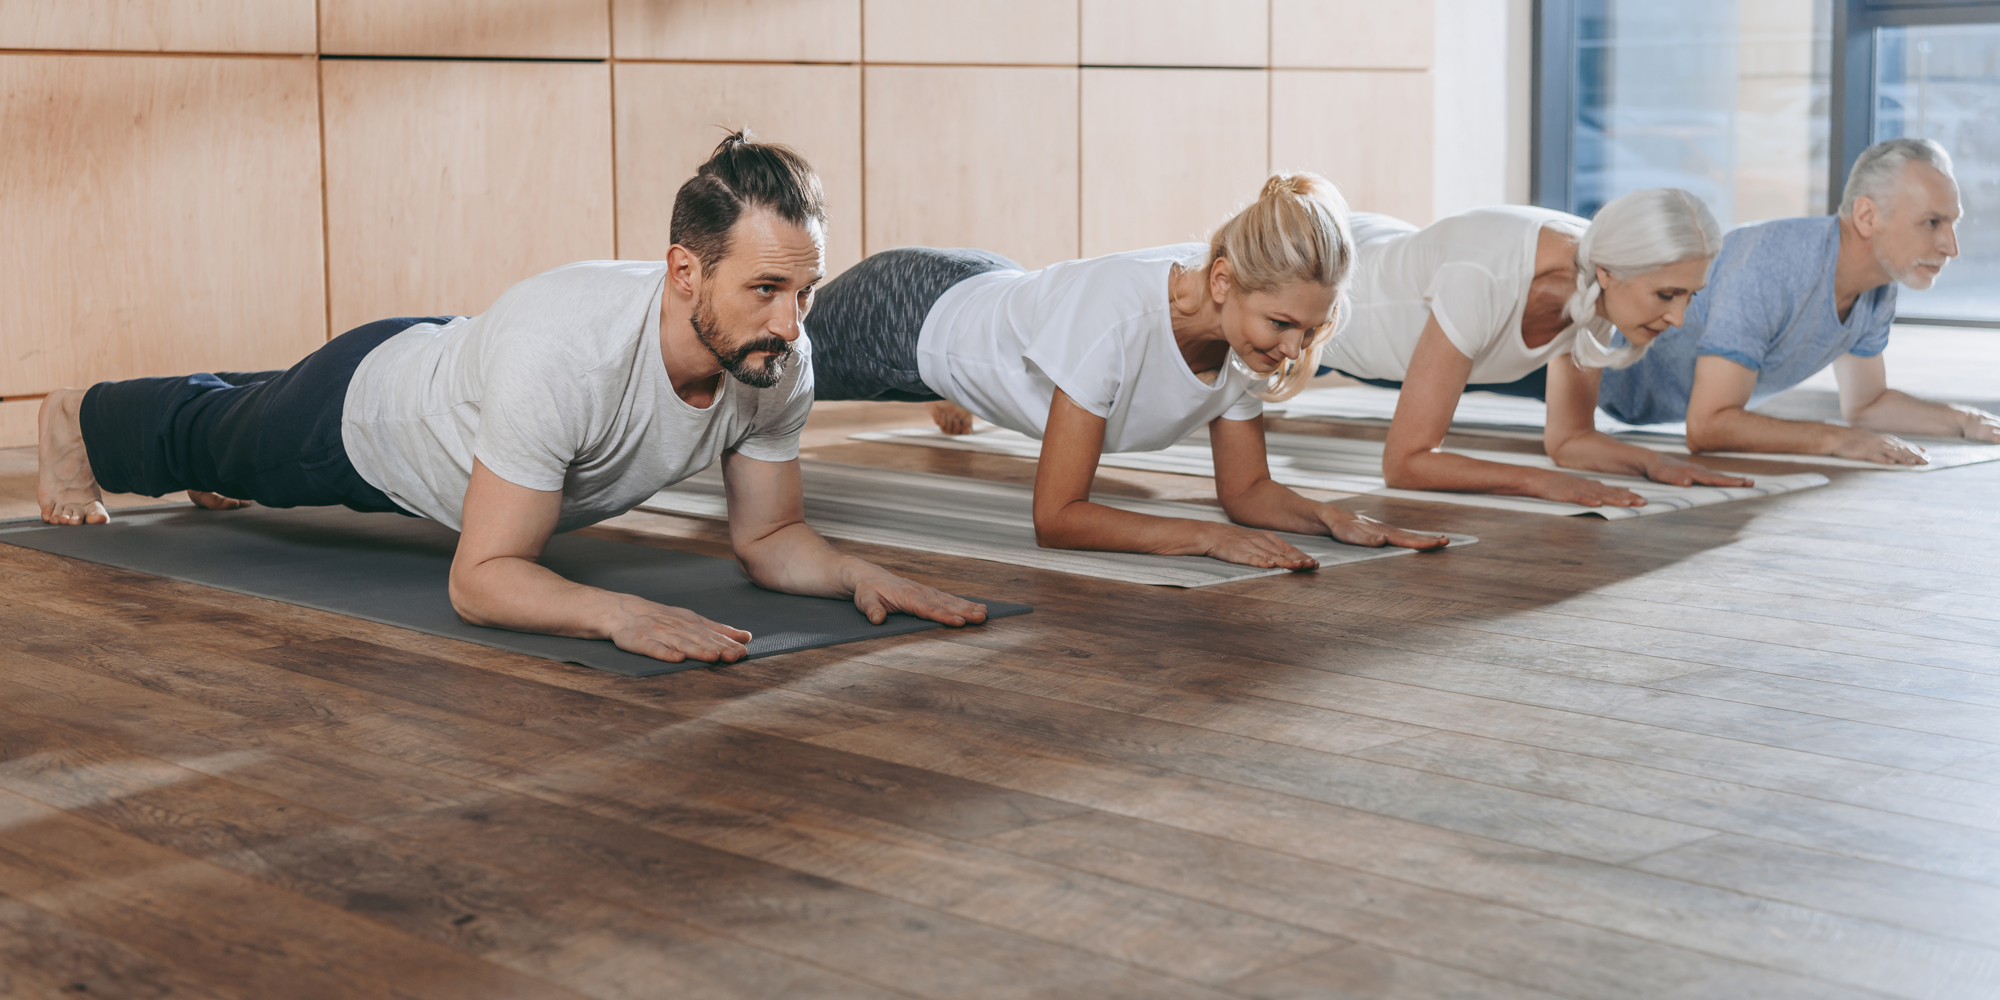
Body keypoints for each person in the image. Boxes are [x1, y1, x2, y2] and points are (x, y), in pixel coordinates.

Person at [36, 132, 985, 664]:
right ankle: (75, 414)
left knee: (244, 411)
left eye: (805, 290)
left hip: (464, 368)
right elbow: (481, 578)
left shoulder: (775, 355)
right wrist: (614, 614)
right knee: (219, 440)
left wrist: (857, 572)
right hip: (374, 419)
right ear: (686, 272)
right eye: (767, 291)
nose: (792, 321)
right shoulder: (567, 354)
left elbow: (770, 539)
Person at [806, 173, 1449, 571]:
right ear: (1222, 281)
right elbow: (1057, 517)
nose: (1293, 347)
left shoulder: (1244, 335)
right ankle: (953, 386)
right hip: (906, 315)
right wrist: (1202, 539)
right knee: (746, 378)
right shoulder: (1117, 323)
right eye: (1282, 325)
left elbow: (1247, 491)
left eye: (1310, 331)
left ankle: (954, 390)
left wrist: (1329, 516)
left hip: (991, 288)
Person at [1315, 188, 1752, 507]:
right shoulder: (1485, 275)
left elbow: (1570, 439)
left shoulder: (1601, 277)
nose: (1678, 319)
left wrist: (1653, 463)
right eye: (1666, 295)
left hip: (1380, 254)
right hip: (1318, 272)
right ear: (1608, 274)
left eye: (1690, 296)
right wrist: (1537, 482)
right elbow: (1405, 463)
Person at [1598, 138, 2000, 462]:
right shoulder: (1772, 263)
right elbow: (1708, 427)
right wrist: (1837, 440)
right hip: (1588, 360)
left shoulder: (1879, 285)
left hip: (1628, 399)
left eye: (1953, 222)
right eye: (1932, 223)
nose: (1951, 247)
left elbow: (1867, 404)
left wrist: (1966, 421)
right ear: (1866, 217)